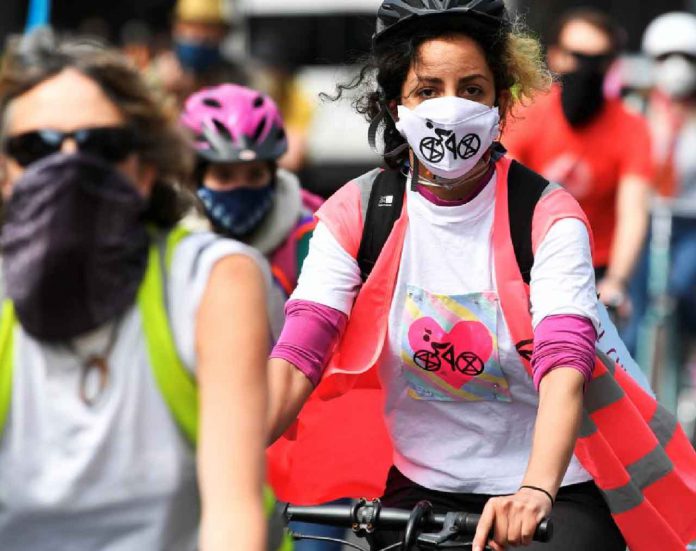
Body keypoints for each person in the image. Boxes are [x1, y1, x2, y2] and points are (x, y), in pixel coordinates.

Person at [265, 2, 696, 551]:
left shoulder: (546, 215)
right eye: (428, 90)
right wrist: (226, 450)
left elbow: (565, 362)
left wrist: (536, 488)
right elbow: (300, 353)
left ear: (500, 102)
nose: (450, 107)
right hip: (421, 489)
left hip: (557, 487)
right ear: (396, 105)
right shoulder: (356, 212)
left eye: (471, 89)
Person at [0, 30, 271, 551]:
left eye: (104, 146)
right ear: (5, 175)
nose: (68, 167)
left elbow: (232, 514)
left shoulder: (212, 281)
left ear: (146, 170)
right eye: (36, 148)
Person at [504, 8, 654, 315]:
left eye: (597, 60)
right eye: (576, 56)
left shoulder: (631, 127)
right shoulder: (526, 114)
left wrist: (617, 280)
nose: (585, 69)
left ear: (611, 64)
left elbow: (633, 211)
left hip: (595, 267)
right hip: (529, 260)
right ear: (556, 56)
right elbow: (503, 190)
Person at [180, 83, 322, 306]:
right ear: (194, 178)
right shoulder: (169, 239)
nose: (240, 187)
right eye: (224, 176)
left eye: (255, 175)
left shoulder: (315, 239)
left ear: (274, 175)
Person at [149, 0, 246, 105]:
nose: (200, 35)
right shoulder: (156, 75)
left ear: (223, 32)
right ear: (176, 27)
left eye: (209, 27)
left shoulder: (238, 78)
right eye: (191, 26)